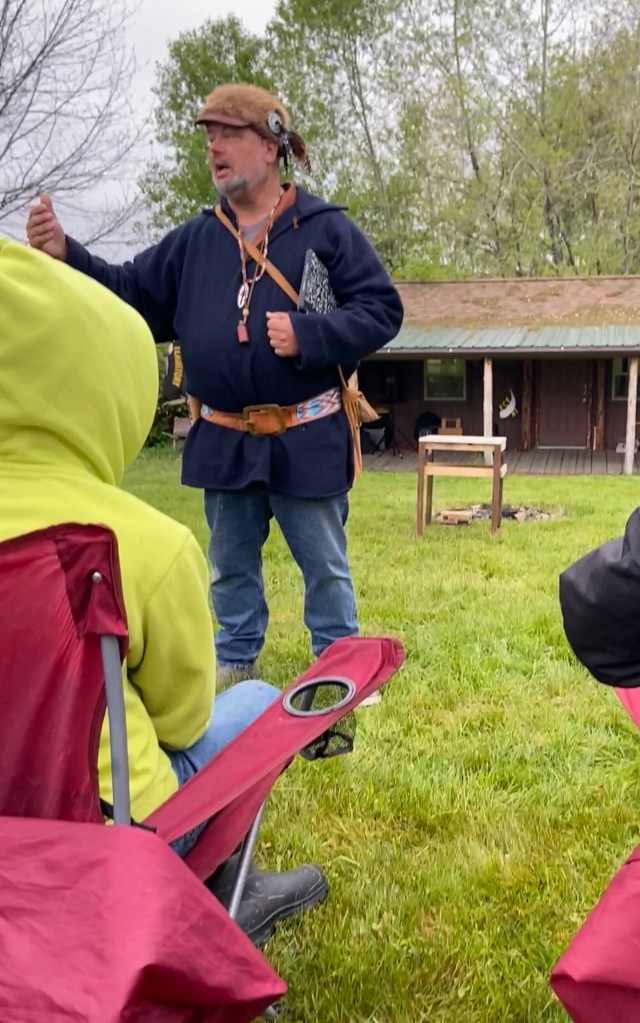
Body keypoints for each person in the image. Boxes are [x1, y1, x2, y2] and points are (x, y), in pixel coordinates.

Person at [0, 238, 327, 946]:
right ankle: (223, 893)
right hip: (110, 844)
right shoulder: (142, 544)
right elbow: (183, 722)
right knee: (255, 702)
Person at [26, 83, 404, 691]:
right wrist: (67, 253)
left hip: (306, 432)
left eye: (229, 134)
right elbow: (132, 294)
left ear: (272, 146)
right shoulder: (197, 241)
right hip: (224, 438)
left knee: (325, 567)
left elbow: (382, 310)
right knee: (229, 567)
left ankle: (340, 667)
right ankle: (235, 658)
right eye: (209, 137)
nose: (215, 148)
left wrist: (311, 334)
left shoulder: (325, 229)